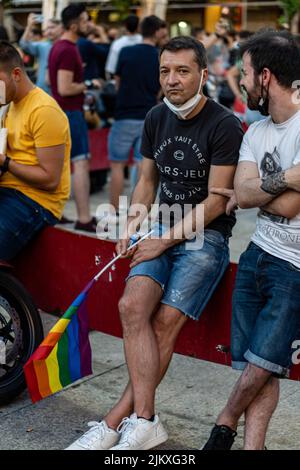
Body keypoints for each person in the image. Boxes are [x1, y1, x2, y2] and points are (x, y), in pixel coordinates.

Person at [66, 36, 243, 451]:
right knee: (131, 306)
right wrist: (130, 225)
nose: (172, 80)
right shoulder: (154, 117)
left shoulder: (223, 123)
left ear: (203, 73)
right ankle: (145, 420)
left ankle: (119, 420)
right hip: (158, 230)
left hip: (205, 238)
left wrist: (162, 240)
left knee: (164, 322)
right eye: (165, 71)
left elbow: (217, 201)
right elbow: (146, 181)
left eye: (182, 71)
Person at [203, 30, 300, 451]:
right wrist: (290, 178)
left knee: (262, 363)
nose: (238, 82)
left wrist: (259, 190)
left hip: (294, 267)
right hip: (257, 253)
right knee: (259, 366)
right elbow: (242, 195)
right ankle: (252, 447)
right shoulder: (255, 130)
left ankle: (224, 422)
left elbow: (289, 208)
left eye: (243, 73)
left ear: (264, 77)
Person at [0, 41, 70, 261]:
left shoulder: (44, 110)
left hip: (36, 202)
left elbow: (50, 180)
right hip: (9, 190)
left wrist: (4, 162)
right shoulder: (9, 105)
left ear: (16, 74)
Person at [106, 15, 166, 222]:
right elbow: (161, 88)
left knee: (116, 166)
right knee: (144, 167)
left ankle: (112, 213)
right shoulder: (159, 56)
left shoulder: (125, 51)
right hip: (148, 115)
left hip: (123, 114)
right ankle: (138, 215)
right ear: (157, 31)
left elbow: (117, 83)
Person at [48, 3, 101, 232]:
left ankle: (55, 213)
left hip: (61, 111)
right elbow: (64, 87)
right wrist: (88, 83)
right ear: (73, 24)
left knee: (61, 165)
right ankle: (84, 217)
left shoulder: (58, 46)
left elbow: (53, 83)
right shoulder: (68, 49)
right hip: (70, 112)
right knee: (81, 162)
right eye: (84, 19)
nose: (88, 23)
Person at [19, 14, 63, 93]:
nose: (49, 31)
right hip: (42, 92)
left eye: (52, 27)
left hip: (59, 93)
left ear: (61, 28)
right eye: (47, 28)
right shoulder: (43, 46)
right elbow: (23, 44)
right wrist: (29, 25)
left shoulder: (66, 47)